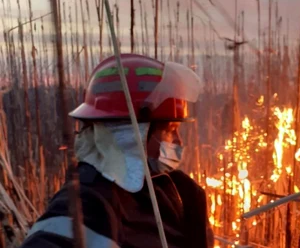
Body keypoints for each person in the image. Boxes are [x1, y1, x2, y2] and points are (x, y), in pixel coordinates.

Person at [19, 53, 214, 248]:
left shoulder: (174, 189)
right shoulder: (87, 203)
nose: (178, 141)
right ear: (131, 134)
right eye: (170, 131)